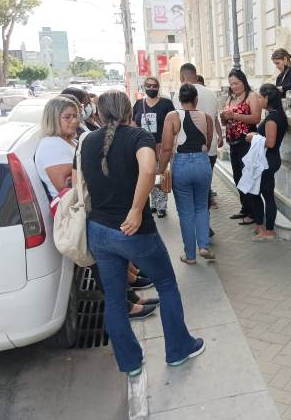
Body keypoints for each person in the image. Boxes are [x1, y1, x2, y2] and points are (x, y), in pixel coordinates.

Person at [82, 90, 203, 376]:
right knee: (167, 285)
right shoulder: (138, 136)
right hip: (134, 231)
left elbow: (82, 180)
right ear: (129, 112)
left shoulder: (87, 141)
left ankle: (130, 362)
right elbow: (149, 169)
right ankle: (178, 349)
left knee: (113, 297)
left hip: (98, 230)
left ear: (98, 114)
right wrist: (136, 209)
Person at [159, 84, 215, 265]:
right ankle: (204, 245)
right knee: (201, 207)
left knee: (185, 212)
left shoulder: (172, 116)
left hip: (181, 164)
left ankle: (190, 255)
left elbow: (167, 147)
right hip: (202, 162)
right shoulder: (206, 117)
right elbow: (207, 142)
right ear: (196, 99)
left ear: (179, 100)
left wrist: (160, 170)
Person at [179, 64, 224, 219]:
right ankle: (204, 221)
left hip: (186, 151)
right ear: (196, 75)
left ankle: (197, 222)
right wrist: (220, 136)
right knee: (205, 188)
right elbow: (215, 117)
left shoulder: (181, 93)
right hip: (209, 149)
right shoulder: (211, 94)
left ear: (182, 76)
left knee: (190, 189)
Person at [245, 84, 289, 241]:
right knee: (257, 192)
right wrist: (257, 133)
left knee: (266, 195)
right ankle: (261, 226)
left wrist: (253, 138)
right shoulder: (276, 115)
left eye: (259, 97)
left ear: (266, 98)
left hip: (268, 161)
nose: (257, 99)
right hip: (269, 159)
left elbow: (270, 142)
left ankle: (268, 231)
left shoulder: (272, 118)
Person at [220, 69, 262, 225]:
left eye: (236, 83)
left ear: (243, 81)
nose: (234, 86)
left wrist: (235, 116)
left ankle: (253, 213)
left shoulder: (251, 96)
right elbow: (226, 121)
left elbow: (256, 118)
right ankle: (245, 208)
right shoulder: (231, 98)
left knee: (248, 177)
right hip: (233, 142)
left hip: (247, 142)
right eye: (231, 84)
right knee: (238, 177)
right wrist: (224, 118)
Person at [132, 76, 175, 218]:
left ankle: (161, 206)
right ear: (144, 87)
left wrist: (170, 143)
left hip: (161, 146)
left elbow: (175, 124)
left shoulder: (166, 103)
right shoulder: (138, 104)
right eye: (149, 86)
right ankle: (152, 203)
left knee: (160, 173)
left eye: (155, 86)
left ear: (158, 87)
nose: (152, 88)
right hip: (143, 147)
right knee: (147, 175)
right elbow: (133, 123)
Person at [34, 96, 79, 198]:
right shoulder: (50, 145)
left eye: (75, 116)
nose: (74, 121)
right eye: (67, 117)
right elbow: (67, 188)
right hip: (72, 209)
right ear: (53, 119)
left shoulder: (68, 140)